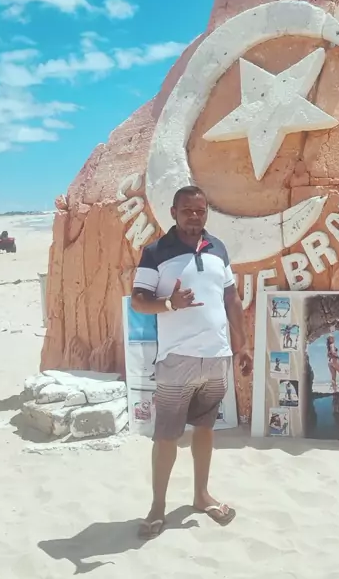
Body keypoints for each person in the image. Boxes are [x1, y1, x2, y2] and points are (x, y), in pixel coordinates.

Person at [131, 185, 253, 539]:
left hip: (216, 356)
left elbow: (231, 298)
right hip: (177, 359)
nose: (195, 217)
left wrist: (242, 345)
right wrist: (170, 304)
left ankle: (201, 495)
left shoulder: (218, 248)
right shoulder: (156, 252)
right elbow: (138, 300)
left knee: (205, 428)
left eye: (200, 211)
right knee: (166, 435)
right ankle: (157, 506)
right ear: (173, 213)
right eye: (187, 211)